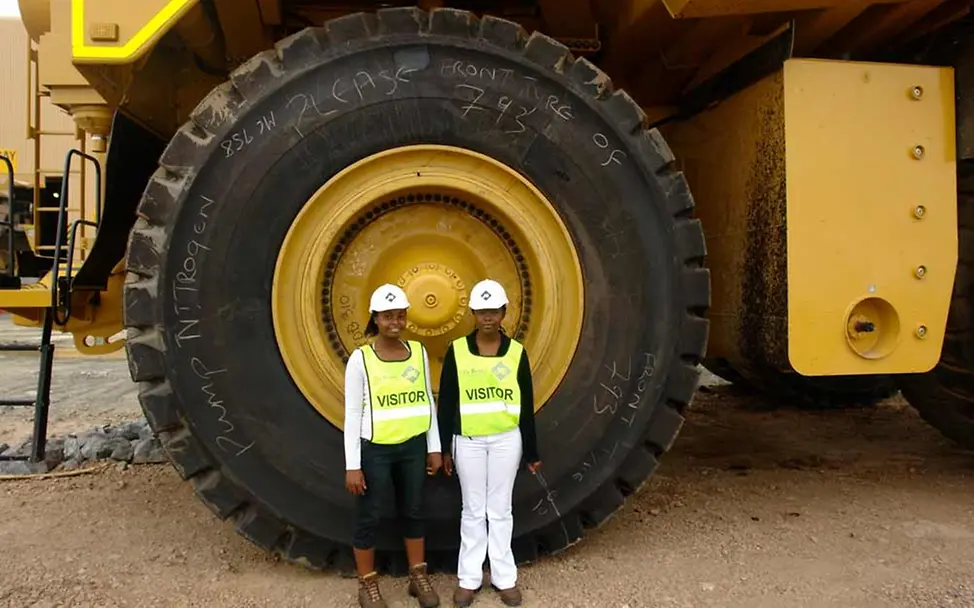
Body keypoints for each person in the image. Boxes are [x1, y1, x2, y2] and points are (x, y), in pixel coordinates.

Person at [437, 279, 542, 607]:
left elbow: (526, 404)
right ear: (472, 313)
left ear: (503, 313)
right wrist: (443, 448)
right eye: (482, 311)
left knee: (500, 510)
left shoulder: (516, 353)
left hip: (505, 441)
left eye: (493, 311)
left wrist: (532, 451)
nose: (488, 317)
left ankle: (504, 577)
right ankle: (468, 579)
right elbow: (448, 403)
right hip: (467, 442)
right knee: (472, 510)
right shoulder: (456, 351)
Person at [344, 284, 443, 608]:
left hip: (412, 447)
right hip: (377, 449)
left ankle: (417, 576)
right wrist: (353, 465)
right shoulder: (361, 359)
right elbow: (353, 413)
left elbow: (427, 400)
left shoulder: (418, 352)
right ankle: (367, 584)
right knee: (370, 515)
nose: (395, 323)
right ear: (375, 318)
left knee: (414, 510)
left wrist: (434, 447)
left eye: (400, 316)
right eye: (388, 317)